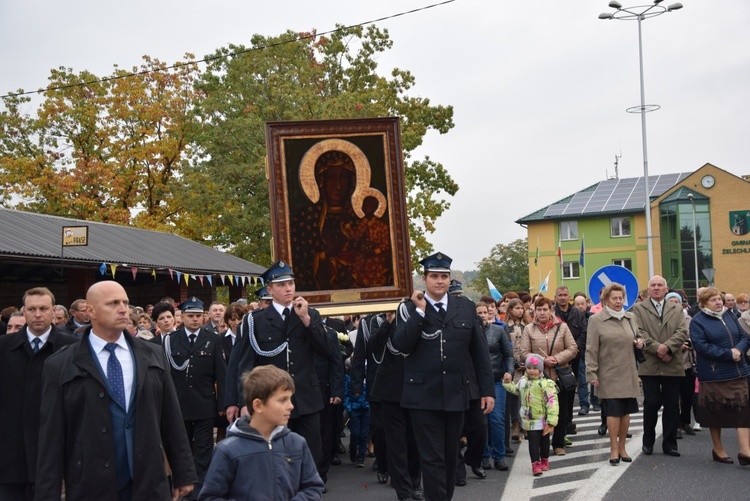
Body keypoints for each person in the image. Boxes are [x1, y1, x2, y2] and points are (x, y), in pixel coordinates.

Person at [35, 281, 197, 500]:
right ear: (90, 311)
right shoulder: (61, 364)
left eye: (125, 302)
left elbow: (171, 417)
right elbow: (51, 437)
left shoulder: (152, 354)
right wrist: (48, 493)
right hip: (91, 482)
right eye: (113, 303)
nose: (123, 309)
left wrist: (184, 472)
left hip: (148, 480)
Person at [391, 252, 494, 501]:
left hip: (456, 394)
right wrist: (420, 312)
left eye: (444, 277)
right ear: (424, 279)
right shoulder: (408, 308)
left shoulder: (466, 308)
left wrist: (487, 390)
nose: (440, 281)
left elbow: (479, 353)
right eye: (434, 276)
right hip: (422, 396)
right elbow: (400, 345)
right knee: (432, 458)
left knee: (449, 456)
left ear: (449, 280)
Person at [225, 261, 331, 469]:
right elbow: (242, 363)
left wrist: (306, 320)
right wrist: (240, 401)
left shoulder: (308, 314)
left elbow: (327, 350)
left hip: (306, 397)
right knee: (275, 459)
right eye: (281, 285)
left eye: (291, 283)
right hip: (270, 400)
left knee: (312, 456)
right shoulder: (255, 320)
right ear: (269, 289)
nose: (288, 288)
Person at [198, 365, 325, 500]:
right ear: (258, 405)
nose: (291, 406)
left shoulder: (297, 443)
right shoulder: (228, 450)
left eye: (290, 398)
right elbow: (210, 497)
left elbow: (313, 487)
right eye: (283, 400)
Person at [0, 287, 78, 500]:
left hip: (55, 456)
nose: (37, 314)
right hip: (9, 456)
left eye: (43, 308)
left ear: (54, 311)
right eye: (32, 309)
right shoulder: (3, 348)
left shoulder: (73, 349)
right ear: (23, 311)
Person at [162, 297, 226, 497]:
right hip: (179, 405)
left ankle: (201, 492)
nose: (195, 319)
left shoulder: (213, 338)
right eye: (191, 316)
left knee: (203, 452)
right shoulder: (171, 340)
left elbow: (221, 375)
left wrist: (223, 403)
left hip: (204, 404)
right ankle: (185, 488)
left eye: (198, 316)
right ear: (182, 317)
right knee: (183, 451)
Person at [689, 287, 750, 465]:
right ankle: (718, 448)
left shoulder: (729, 315)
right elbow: (702, 347)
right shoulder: (698, 321)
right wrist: (728, 354)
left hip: (738, 371)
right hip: (714, 374)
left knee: (743, 410)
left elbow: (744, 337)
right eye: (713, 300)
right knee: (715, 413)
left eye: (719, 299)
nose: (718, 302)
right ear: (703, 303)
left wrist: (738, 350)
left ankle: (745, 451)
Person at [585, 283, 644, 465]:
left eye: (621, 298)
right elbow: (591, 349)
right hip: (608, 372)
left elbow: (639, 336)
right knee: (613, 411)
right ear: (605, 300)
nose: (618, 302)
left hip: (628, 371)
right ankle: (613, 449)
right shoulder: (596, 320)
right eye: (614, 298)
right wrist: (592, 373)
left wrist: (641, 343)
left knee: (626, 411)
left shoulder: (630, 317)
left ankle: (623, 447)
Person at [368, 311, 423, 501]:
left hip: (417, 386)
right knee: (396, 442)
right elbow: (373, 347)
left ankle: (416, 483)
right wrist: (388, 322)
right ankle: (404, 490)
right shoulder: (379, 318)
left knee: (414, 440)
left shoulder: (417, 311)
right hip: (390, 389)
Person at [632, 275, 688, 457]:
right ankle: (648, 442)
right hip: (650, 363)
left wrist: (668, 349)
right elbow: (638, 332)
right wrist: (658, 349)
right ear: (648, 290)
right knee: (652, 402)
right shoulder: (639, 309)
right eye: (653, 285)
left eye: (660, 285)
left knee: (672, 405)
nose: (656, 288)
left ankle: (670, 444)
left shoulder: (677, 308)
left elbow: (682, 331)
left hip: (673, 363)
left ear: (666, 289)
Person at [520, 296, 578, 456]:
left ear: (551, 310)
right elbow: (523, 353)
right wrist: (542, 361)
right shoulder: (529, 329)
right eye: (539, 310)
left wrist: (557, 359)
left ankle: (559, 443)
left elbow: (573, 348)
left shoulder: (563, 327)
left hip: (560, 377)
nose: (542, 313)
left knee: (560, 412)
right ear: (535, 311)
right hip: (538, 379)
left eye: (545, 309)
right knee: (540, 412)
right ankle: (540, 444)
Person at [502, 354, 559, 477]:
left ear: (541, 369)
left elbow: (552, 402)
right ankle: (535, 464)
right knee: (533, 442)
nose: (531, 371)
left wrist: (552, 420)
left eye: (535, 368)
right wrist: (508, 383)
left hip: (544, 419)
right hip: (529, 419)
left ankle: (544, 460)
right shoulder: (523, 381)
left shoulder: (546, 384)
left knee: (544, 442)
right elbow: (516, 390)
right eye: (529, 368)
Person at [476, 301, 514, 471]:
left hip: (497, 380)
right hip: (476, 383)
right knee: (480, 421)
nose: (483, 315)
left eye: (485, 312)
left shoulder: (498, 331)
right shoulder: (469, 333)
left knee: (497, 419)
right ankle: (483, 456)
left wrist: (510, 372)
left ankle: (499, 456)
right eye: (479, 312)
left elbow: (508, 355)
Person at [505, 298, 531, 442]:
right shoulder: (505, 327)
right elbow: (506, 347)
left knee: (527, 394)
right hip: (512, 364)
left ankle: (526, 425)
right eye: (517, 308)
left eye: (522, 308)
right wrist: (514, 363)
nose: (520, 311)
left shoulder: (527, 325)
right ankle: (515, 423)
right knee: (514, 396)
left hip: (527, 364)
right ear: (510, 310)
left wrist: (526, 362)